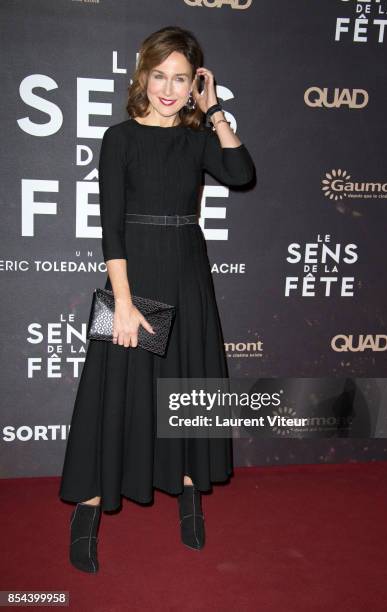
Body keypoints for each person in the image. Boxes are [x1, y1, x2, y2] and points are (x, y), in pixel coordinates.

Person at [59, 25, 255, 573]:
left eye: (182, 79)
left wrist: (214, 112)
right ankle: (89, 507)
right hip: (135, 275)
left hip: (188, 272)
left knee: (187, 385)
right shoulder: (119, 138)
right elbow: (111, 229)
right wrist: (122, 302)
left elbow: (240, 172)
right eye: (159, 76)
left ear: (195, 83)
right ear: (142, 76)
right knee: (112, 391)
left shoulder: (196, 139)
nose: (169, 89)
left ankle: (190, 493)